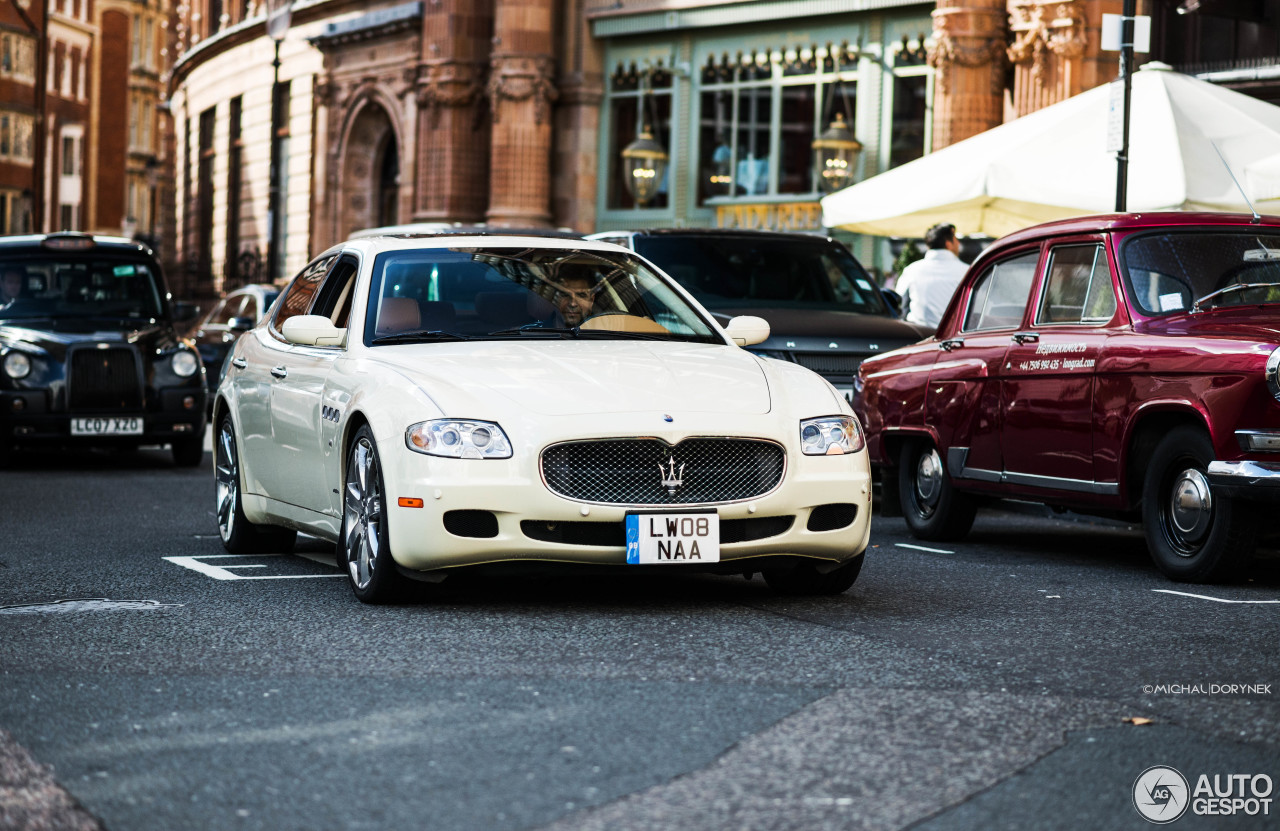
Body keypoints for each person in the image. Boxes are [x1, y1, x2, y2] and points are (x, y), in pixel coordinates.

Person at [894, 223, 969, 328]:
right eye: (956, 240)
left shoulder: (912, 270)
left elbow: (899, 303)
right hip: (955, 337)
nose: (958, 243)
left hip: (919, 336)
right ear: (948, 244)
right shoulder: (967, 271)